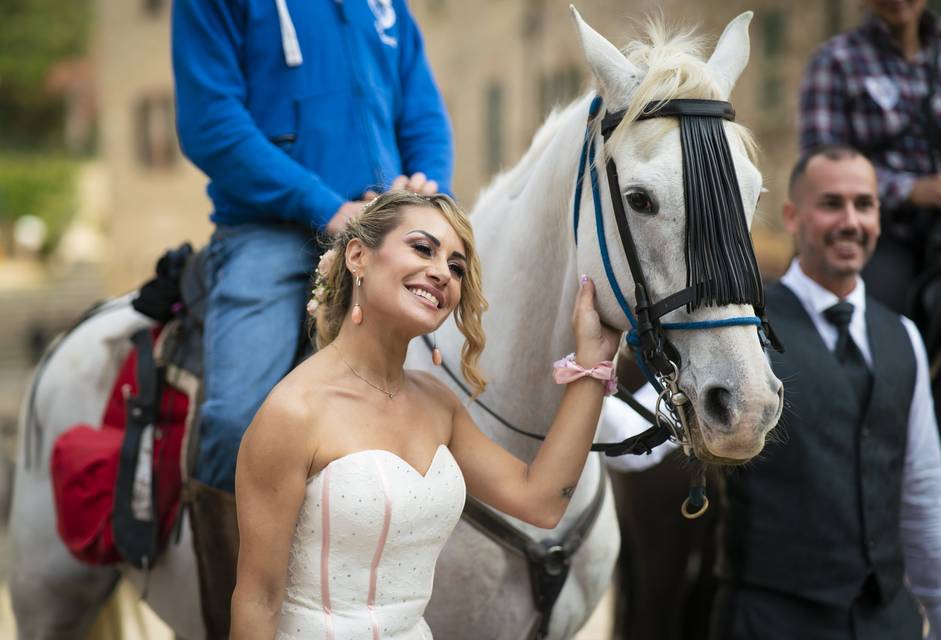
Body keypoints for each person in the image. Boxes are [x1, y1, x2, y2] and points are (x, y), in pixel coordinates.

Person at [228, 191, 619, 638]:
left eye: (456, 267)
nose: (441, 273)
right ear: (358, 255)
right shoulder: (294, 412)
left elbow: (542, 501)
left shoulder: (438, 403)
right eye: (422, 248)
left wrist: (593, 364)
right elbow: (258, 598)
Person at [171, 0, 453, 496]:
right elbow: (209, 122)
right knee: (239, 418)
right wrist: (327, 206)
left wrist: (427, 195)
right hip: (267, 230)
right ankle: (228, 573)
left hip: (382, 230)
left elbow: (423, 113)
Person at [709, 144, 941, 639]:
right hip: (768, 622)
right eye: (831, 204)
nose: (850, 220)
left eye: (863, 204)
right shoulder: (746, 331)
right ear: (792, 216)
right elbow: (655, 436)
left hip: (887, 623)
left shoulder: (904, 337)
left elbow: (922, 492)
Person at [798, 0, 941, 317]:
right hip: (875, 231)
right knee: (879, 313)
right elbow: (820, 165)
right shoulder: (835, 61)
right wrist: (910, 190)